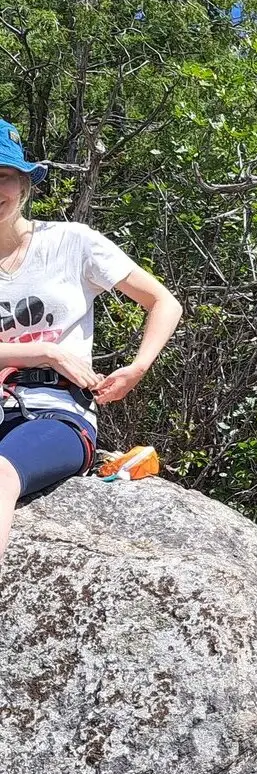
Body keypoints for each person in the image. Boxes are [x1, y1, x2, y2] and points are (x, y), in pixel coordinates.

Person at [0, 119, 182, 562]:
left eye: (2, 176)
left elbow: (163, 302)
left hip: (55, 410)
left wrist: (138, 366)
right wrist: (42, 350)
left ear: (23, 184)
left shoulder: (70, 242)